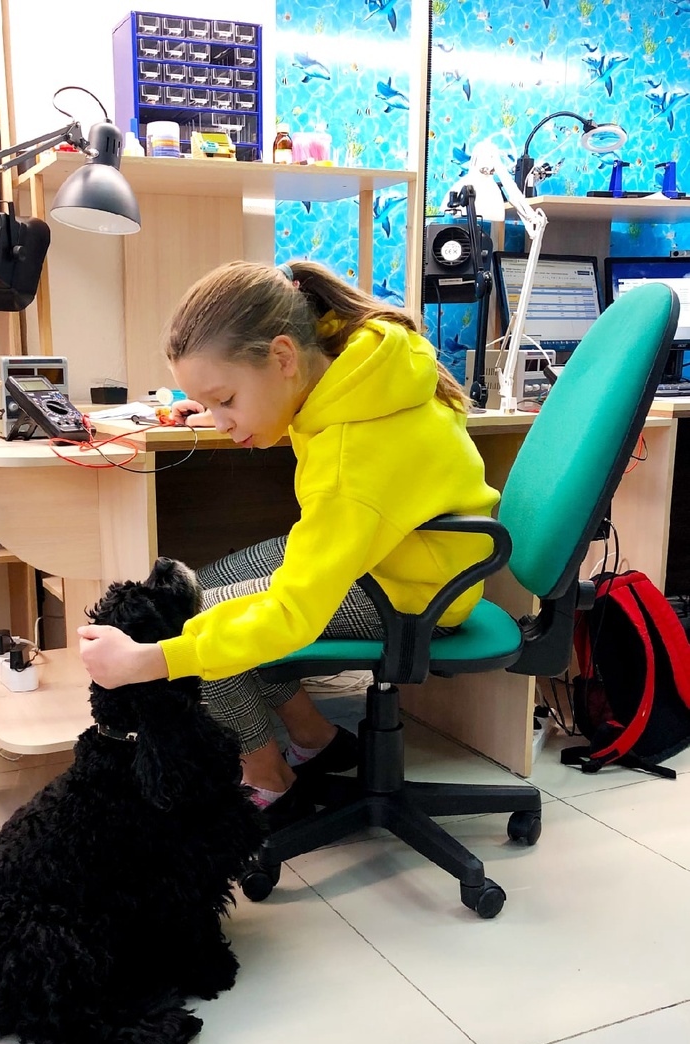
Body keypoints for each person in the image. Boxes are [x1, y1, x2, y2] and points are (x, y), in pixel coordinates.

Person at [78, 259, 499, 830]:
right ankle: (314, 737)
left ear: (281, 358)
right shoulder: (349, 358)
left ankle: (267, 777)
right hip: (405, 552)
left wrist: (149, 661)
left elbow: (290, 613)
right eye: (210, 403)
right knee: (208, 585)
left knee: (196, 624)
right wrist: (217, 402)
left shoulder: (350, 460)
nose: (220, 421)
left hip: (414, 590)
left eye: (226, 400)